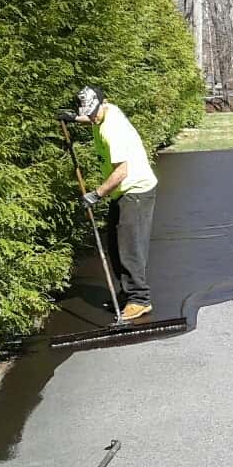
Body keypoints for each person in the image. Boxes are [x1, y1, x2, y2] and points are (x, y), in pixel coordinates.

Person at [58, 86, 158, 321]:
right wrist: (73, 118)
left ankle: (139, 300)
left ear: (103, 103)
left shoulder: (112, 130)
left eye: (93, 113)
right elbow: (93, 115)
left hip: (136, 189)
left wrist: (96, 194)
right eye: (88, 113)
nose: (92, 117)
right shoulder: (104, 111)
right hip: (122, 192)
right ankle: (128, 293)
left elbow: (122, 172)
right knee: (114, 245)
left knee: (129, 247)